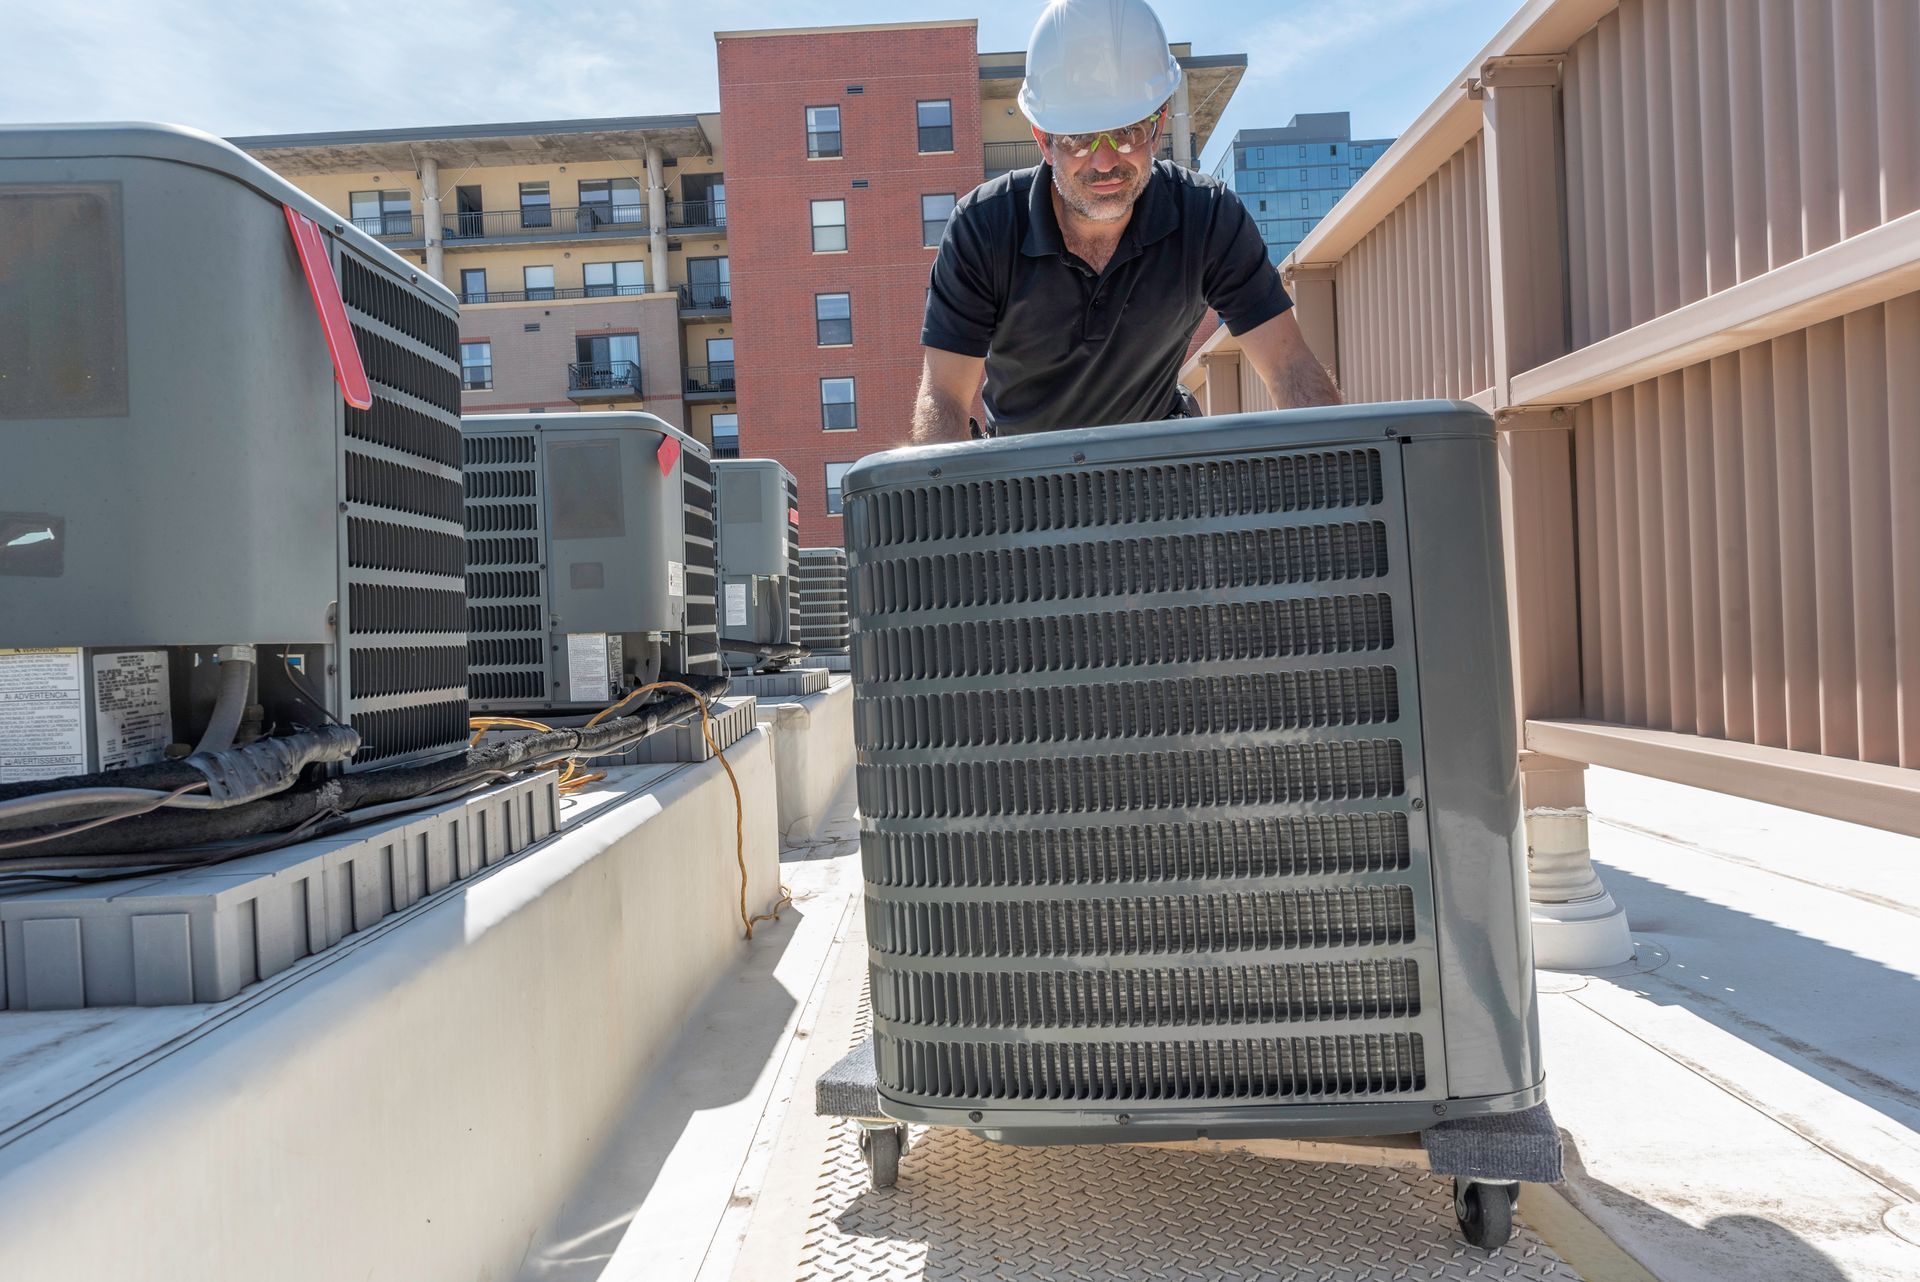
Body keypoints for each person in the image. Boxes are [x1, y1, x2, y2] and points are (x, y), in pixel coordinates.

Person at [913, 0, 1341, 443]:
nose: (1104, 161)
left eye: (1126, 133)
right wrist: (940, 497)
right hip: (1023, 474)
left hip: (1155, 471)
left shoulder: (1206, 217)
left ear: (1156, 127)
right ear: (1044, 140)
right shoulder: (984, 228)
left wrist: (1342, 472)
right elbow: (943, 396)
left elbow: (1289, 366)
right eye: (1078, 139)